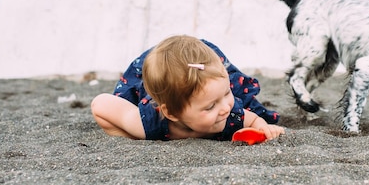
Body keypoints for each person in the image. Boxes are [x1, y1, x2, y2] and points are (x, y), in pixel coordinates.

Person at [91, 35, 285, 141]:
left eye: (227, 93)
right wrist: (134, 134)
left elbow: (253, 119)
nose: (226, 107)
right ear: (172, 113)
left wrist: (263, 128)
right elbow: (100, 105)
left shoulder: (230, 116)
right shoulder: (149, 122)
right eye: (210, 106)